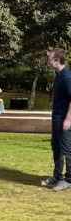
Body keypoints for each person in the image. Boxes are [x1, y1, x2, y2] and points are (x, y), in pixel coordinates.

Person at [42, 48, 71, 191]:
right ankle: (57, 176)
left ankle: (69, 180)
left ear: (57, 61)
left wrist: (68, 119)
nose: (48, 62)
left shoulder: (67, 76)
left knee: (67, 150)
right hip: (57, 118)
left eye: (49, 59)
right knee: (57, 148)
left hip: (64, 120)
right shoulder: (58, 75)